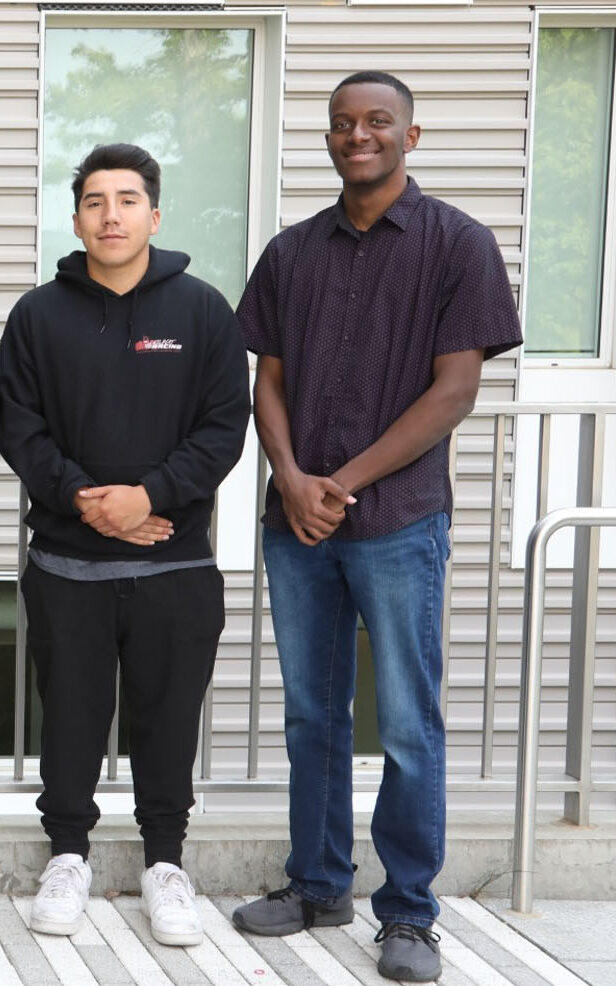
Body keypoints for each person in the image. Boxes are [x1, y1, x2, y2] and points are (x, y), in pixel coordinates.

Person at [229, 71, 520, 983]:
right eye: (344, 124)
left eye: (378, 122)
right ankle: (317, 883)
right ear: (329, 138)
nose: (359, 135)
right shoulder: (291, 251)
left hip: (396, 523)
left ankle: (409, 914)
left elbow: (456, 391)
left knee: (405, 723)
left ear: (411, 135)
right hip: (299, 524)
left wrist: (339, 483)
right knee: (313, 715)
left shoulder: (457, 245)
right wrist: (289, 477)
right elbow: (266, 379)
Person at [0, 143, 249, 947]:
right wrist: (87, 501)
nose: (112, 214)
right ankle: (66, 855)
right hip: (66, 567)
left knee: (168, 719)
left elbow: (223, 429)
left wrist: (147, 497)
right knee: (69, 718)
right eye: (96, 201)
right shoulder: (38, 315)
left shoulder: (204, 311)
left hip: (175, 564)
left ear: (154, 214)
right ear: (76, 219)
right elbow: (20, 429)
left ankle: (165, 864)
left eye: (128, 199)